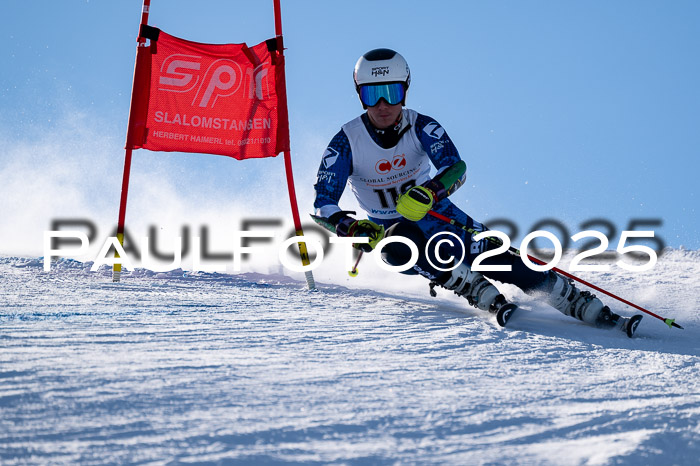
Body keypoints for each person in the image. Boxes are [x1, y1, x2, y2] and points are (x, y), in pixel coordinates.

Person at [312, 48, 642, 337]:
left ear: (405, 91)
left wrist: (430, 192)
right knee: (398, 241)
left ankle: (581, 304)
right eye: (372, 95)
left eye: (392, 93)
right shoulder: (346, 142)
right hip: (393, 235)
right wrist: (353, 227)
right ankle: (474, 288)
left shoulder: (422, 126)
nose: (383, 105)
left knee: (508, 263)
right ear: (359, 95)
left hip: (444, 220)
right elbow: (323, 201)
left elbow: (456, 168)